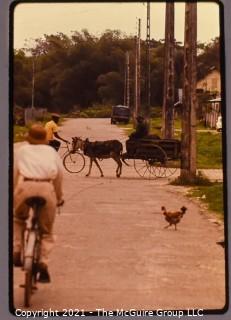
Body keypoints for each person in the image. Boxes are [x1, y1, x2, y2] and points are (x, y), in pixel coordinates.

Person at [13, 124, 64, 283]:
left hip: (25, 187)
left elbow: (14, 173)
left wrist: (14, 193)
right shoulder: (51, 152)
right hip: (46, 188)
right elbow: (59, 176)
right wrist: (59, 197)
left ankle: (17, 249)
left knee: (18, 219)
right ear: (44, 139)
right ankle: (42, 262)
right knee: (46, 231)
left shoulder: (21, 150)